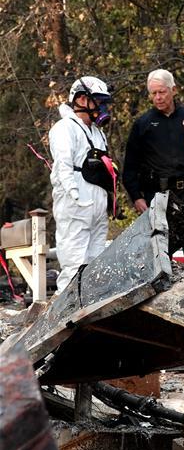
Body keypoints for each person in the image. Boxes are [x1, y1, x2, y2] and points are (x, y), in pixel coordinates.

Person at [123, 69, 184, 265]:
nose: (158, 97)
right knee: (159, 256)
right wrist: (136, 196)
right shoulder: (143, 124)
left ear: (173, 90)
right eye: (153, 93)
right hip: (158, 197)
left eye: (162, 92)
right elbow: (130, 167)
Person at [49, 76, 115, 293]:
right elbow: (63, 165)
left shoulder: (98, 133)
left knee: (95, 263)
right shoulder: (64, 128)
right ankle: (67, 315)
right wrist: (73, 192)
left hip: (97, 206)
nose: (102, 107)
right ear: (82, 99)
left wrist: (110, 199)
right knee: (74, 262)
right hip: (75, 205)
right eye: (98, 101)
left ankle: (90, 312)